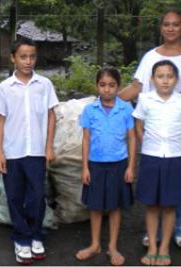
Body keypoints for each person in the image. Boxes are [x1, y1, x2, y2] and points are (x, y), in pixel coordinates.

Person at [118, 9, 181, 249]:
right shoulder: (151, 57)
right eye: (166, 24)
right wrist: (106, 101)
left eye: (175, 24)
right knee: (156, 178)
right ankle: (155, 232)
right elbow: (136, 88)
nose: (170, 28)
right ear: (161, 27)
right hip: (155, 126)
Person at [0, 37, 59, 265]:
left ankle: (36, 234)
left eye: (32, 57)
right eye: (23, 57)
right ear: (13, 58)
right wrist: (0, 152)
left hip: (37, 152)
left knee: (37, 196)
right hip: (13, 152)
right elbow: (0, 120)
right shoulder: (5, 88)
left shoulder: (45, 85)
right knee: (14, 197)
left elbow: (51, 115)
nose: (28, 61)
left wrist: (49, 146)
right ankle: (21, 238)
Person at [133, 60, 181, 266]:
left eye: (169, 76)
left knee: (169, 206)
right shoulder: (145, 99)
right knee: (152, 205)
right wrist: (146, 144)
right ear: (152, 79)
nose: (165, 80)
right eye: (160, 76)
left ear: (176, 79)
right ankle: (152, 246)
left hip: (175, 159)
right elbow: (139, 124)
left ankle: (164, 249)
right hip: (151, 158)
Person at [75, 67, 136, 266]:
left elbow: (132, 138)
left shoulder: (126, 108)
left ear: (118, 87)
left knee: (115, 206)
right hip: (95, 164)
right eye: (102, 85)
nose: (107, 89)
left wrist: (131, 167)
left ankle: (112, 247)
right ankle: (94, 245)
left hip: (119, 164)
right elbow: (85, 139)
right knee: (95, 205)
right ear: (96, 86)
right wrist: (85, 167)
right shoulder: (90, 110)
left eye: (112, 85)